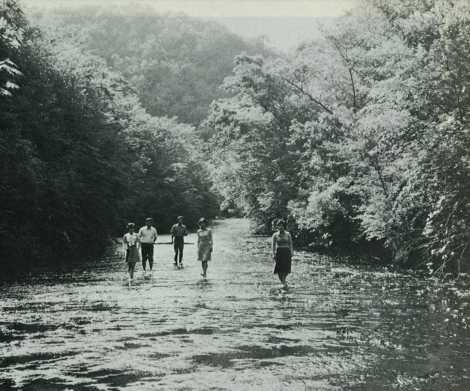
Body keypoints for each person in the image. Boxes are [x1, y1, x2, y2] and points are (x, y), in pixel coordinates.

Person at [272, 219, 293, 288]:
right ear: (277, 227)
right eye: (279, 226)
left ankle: (284, 281)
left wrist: (291, 252)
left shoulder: (288, 234)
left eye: (282, 226)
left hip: (286, 252)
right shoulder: (275, 235)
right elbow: (273, 245)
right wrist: (273, 254)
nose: (281, 227)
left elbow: (290, 244)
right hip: (279, 252)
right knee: (278, 270)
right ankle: (284, 282)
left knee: (286, 268)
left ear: (284, 226)